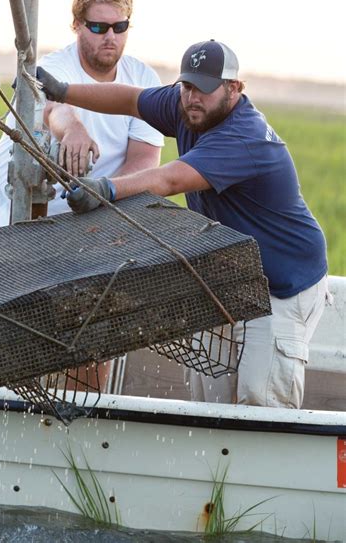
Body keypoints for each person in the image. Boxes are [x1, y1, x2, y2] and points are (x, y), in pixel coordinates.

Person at [36, 39, 330, 409]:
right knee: (210, 398)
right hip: (230, 274)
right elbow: (129, 99)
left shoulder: (245, 137)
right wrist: (64, 91)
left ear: (234, 89)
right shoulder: (186, 106)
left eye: (204, 90)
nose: (193, 97)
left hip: (282, 285)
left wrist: (106, 188)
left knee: (259, 399)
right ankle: (214, 468)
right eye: (187, 86)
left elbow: (169, 180)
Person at [0, 0, 164, 226]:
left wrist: (104, 195)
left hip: (91, 210)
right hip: (22, 205)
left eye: (120, 27)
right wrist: (72, 129)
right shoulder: (54, 68)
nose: (110, 37)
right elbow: (50, 107)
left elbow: (144, 159)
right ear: (77, 25)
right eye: (99, 27)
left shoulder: (143, 78)